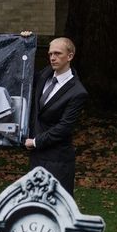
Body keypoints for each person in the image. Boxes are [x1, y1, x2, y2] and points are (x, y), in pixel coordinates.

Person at [25, 36, 88, 195]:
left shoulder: (78, 92)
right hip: (37, 157)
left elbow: (64, 128)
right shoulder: (45, 74)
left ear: (70, 56)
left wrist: (36, 141)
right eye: (50, 53)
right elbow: (23, 73)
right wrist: (24, 43)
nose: (53, 57)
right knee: (33, 205)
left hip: (58, 161)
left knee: (56, 210)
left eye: (58, 53)